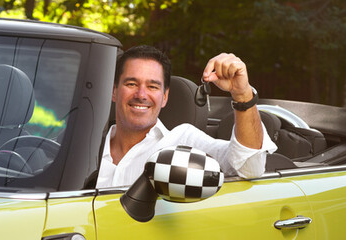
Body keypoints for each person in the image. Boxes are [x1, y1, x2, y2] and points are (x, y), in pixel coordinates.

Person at [96, 45, 278, 188]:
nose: (141, 95)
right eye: (131, 83)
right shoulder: (85, 145)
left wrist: (242, 94)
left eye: (153, 87)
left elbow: (250, 166)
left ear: (165, 97)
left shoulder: (183, 142)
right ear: (114, 92)